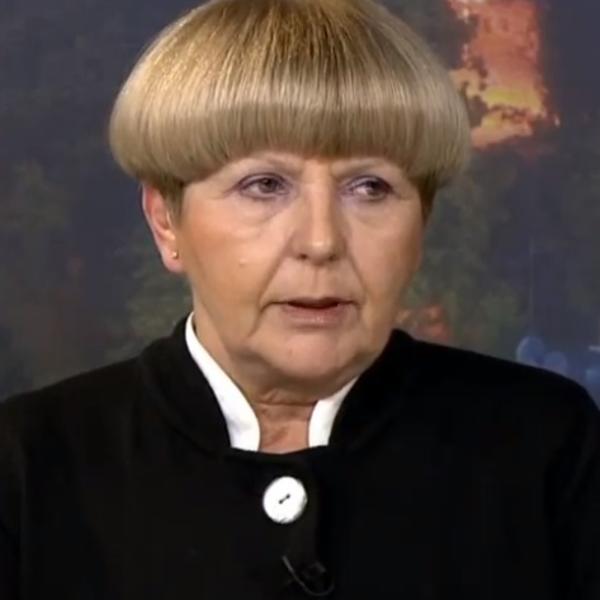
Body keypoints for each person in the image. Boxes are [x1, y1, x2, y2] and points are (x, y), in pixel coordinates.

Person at [1, 0, 598, 597]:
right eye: (264, 185)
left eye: (370, 187)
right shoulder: (27, 466)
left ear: (422, 221)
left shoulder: (547, 447)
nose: (321, 241)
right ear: (166, 220)